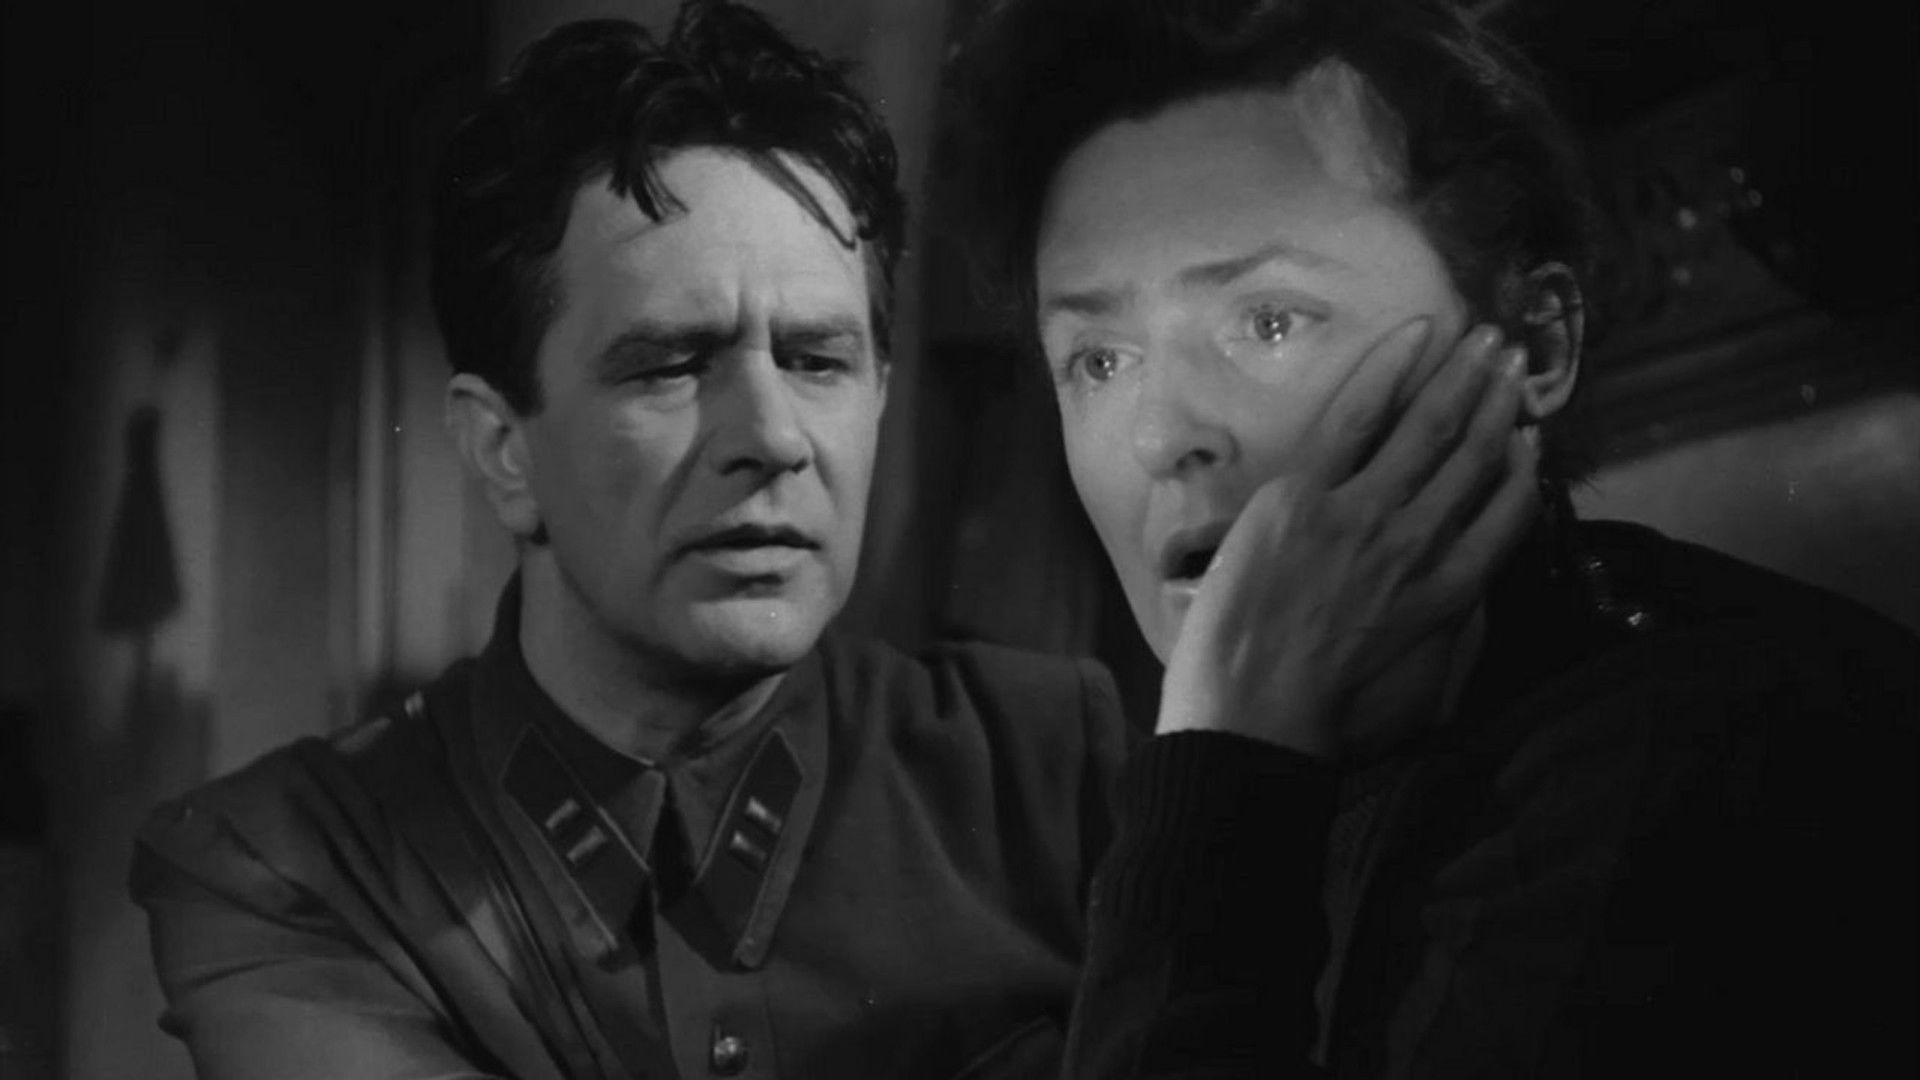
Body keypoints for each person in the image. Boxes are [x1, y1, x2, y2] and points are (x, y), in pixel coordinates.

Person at [128, 4, 1148, 1076]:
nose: (772, 438)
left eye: (817, 361)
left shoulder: (1051, 775)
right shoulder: (287, 863)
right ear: (502, 451)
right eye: (670, 365)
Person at [947, 0, 1920, 1074]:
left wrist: (1222, 771)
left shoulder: (1721, 753)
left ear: (1536, 345)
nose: (1160, 435)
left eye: (1269, 321)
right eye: (1099, 360)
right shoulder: (1124, 817)